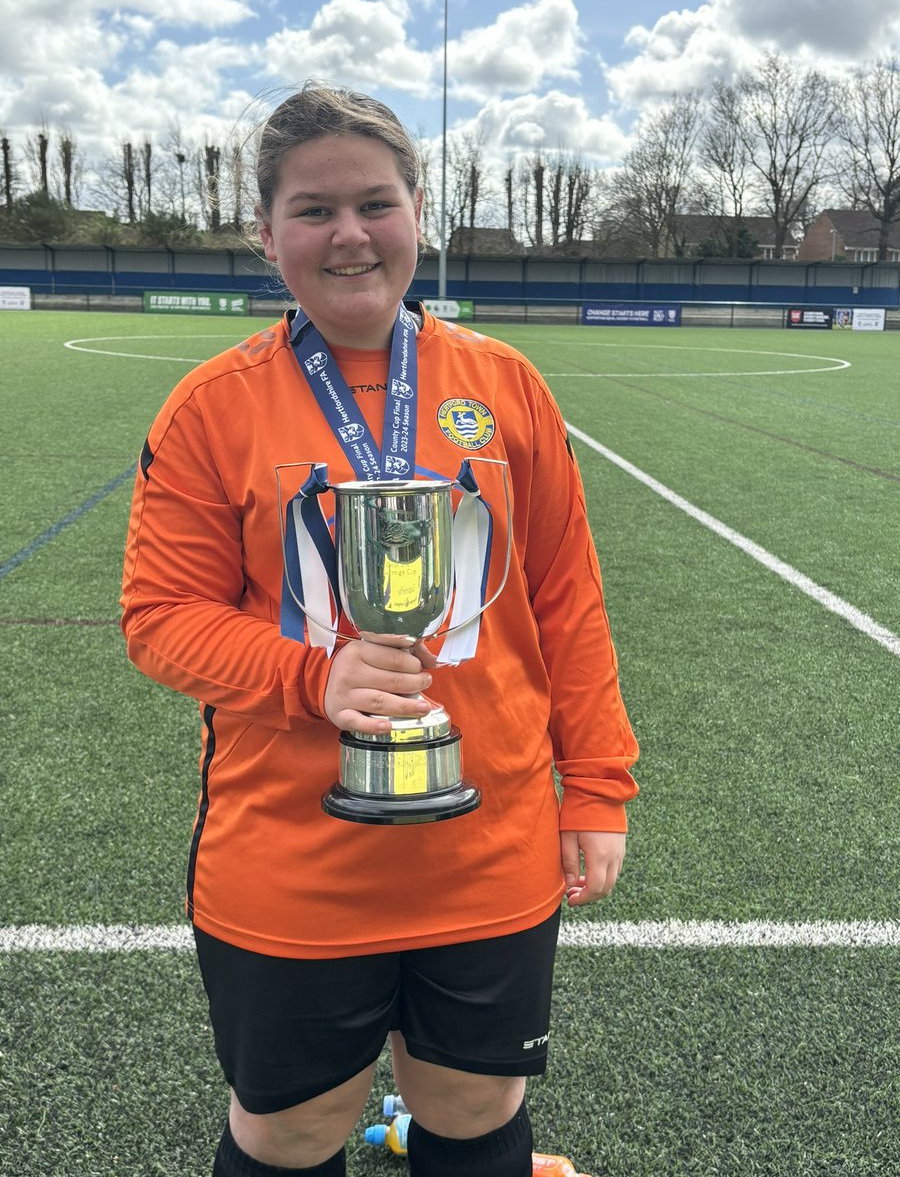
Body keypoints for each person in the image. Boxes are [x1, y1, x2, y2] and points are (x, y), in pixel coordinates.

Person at [121, 81, 639, 1177]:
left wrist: (594, 786)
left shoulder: (505, 387)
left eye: (375, 202)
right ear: (268, 236)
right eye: (313, 209)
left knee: (473, 1111)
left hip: (487, 842)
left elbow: (567, 601)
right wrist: (316, 677)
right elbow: (160, 620)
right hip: (290, 859)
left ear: (418, 212)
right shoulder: (213, 407)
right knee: (292, 1132)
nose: (348, 234)